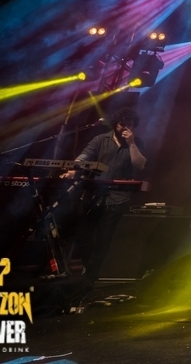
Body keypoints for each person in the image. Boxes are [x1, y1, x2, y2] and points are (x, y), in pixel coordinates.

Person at [63, 107, 147, 280]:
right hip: (93, 197)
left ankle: (92, 276)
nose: (125, 128)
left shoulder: (137, 142)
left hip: (117, 198)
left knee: (104, 240)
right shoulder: (100, 140)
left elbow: (140, 165)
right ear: (116, 123)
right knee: (83, 236)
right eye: (122, 124)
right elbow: (84, 157)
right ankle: (89, 268)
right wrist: (73, 170)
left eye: (130, 125)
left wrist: (131, 143)